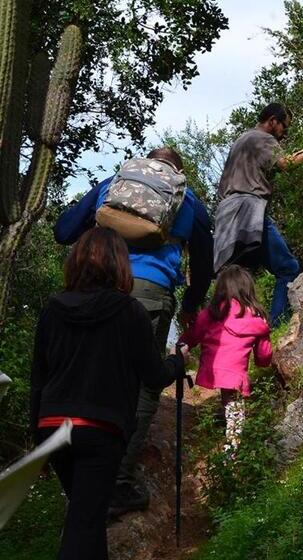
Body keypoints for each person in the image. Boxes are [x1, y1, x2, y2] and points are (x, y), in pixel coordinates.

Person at [52, 147, 213, 516]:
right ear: (178, 171)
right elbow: (205, 264)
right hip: (148, 292)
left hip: (90, 289)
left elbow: (64, 231)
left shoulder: (112, 184)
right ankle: (116, 483)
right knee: (143, 386)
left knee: (87, 377)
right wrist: (190, 305)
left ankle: (77, 474)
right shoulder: (187, 200)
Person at [31, 227, 188, 560]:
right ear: (120, 264)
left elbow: (38, 381)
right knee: (84, 522)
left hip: (53, 426)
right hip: (99, 429)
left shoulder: (52, 310)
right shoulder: (130, 312)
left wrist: (38, 444)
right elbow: (153, 375)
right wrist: (178, 362)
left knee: (87, 515)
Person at [212, 102, 303, 327]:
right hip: (248, 210)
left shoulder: (242, 140)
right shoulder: (264, 139)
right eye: (284, 127)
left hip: (226, 215)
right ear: (273, 121)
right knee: (288, 268)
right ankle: (276, 327)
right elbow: (286, 164)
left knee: (236, 277)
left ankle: (223, 331)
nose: (284, 134)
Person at [178, 265, 273, 456]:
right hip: (236, 372)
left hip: (213, 368)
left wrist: (182, 344)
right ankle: (232, 452)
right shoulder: (257, 318)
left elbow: (193, 336)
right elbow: (263, 356)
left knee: (228, 399)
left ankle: (228, 444)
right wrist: (262, 363)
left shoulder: (211, 313)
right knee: (234, 404)